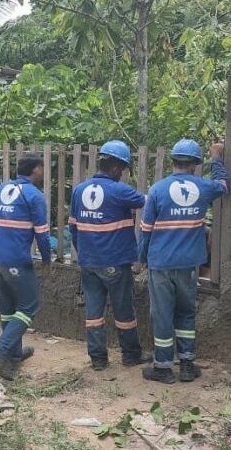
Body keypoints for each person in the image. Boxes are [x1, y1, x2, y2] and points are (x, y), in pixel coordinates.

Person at [138, 139, 228, 384]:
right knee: (186, 314)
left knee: (163, 315)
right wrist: (217, 158)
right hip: (189, 264)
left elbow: (146, 230)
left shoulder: (157, 189)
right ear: (196, 164)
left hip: (160, 263)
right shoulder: (203, 187)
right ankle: (187, 365)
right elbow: (223, 185)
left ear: (173, 161)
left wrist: (142, 258)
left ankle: (164, 368)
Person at [69, 140, 151, 371]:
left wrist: (83, 252)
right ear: (116, 168)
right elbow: (148, 201)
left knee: (93, 312)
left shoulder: (79, 190)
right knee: (123, 310)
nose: (122, 175)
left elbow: (73, 228)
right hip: (115, 261)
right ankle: (130, 355)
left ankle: (98, 359)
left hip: (89, 262)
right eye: (123, 170)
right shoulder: (120, 190)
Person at [0, 153, 51, 380]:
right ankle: (0, 351)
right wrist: (47, 259)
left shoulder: (0, 189)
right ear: (36, 170)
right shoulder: (34, 195)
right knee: (29, 307)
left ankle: (13, 356)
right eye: (42, 168)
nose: (43, 172)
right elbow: (42, 235)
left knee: (8, 309)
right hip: (17, 261)